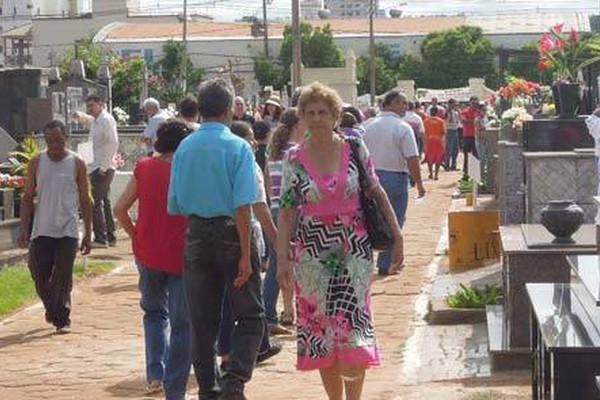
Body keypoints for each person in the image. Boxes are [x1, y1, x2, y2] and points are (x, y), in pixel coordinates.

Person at [276, 82, 404, 400]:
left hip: (354, 251)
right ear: (301, 118)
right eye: (310, 112)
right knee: (321, 330)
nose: (317, 117)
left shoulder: (355, 147)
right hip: (312, 255)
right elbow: (288, 212)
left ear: (335, 116)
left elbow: (375, 190)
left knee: (353, 326)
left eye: (323, 111)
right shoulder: (293, 158)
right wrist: (281, 260)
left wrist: (397, 235)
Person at [168, 78, 263, 400]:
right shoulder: (238, 146)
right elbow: (243, 204)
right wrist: (247, 256)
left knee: (202, 320)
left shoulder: (184, 147)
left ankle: (208, 389)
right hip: (232, 232)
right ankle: (234, 383)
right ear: (228, 109)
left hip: (196, 232)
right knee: (249, 314)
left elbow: (176, 203)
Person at [113, 120, 192, 399]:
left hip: (147, 252)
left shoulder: (144, 167)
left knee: (154, 314)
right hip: (181, 255)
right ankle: (174, 380)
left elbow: (119, 208)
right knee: (182, 321)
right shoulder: (188, 171)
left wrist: (136, 236)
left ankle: (154, 374)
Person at [218, 120, 286, 369]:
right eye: (250, 138)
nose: (253, 143)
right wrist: (277, 242)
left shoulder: (221, 161)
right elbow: (258, 205)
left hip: (216, 236)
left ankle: (227, 350)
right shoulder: (247, 163)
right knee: (251, 299)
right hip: (244, 237)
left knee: (227, 300)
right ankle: (258, 347)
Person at [19, 120, 92, 334]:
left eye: (59, 140)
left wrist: (88, 232)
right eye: (50, 141)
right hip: (42, 229)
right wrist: (24, 228)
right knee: (38, 272)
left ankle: (62, 318)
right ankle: (53, 309)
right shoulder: (36, 162)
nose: (55, 145)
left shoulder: (76, 162)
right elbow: (27, 197)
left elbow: (85, 199)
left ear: (66, 138)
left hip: (67, 229)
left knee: (63, 274)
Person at [363, 90, 425, 275]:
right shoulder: (402, 127)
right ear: (392, 104)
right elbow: (412, 158)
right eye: (403, 103)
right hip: (396, 178)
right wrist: (419, 183)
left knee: (371, 219)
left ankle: (367, 261)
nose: (406, 107)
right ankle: (387, 262)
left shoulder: (367, 126)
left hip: (370, 178)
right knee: (394, 220)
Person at [265, 108, 302, 331]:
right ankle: (272, 313)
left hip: (275, 209)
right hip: (291, 212)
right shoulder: (295, 152)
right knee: (287, 263)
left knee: (277, 263)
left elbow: (269, 184)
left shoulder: (274, 152)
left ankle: (274, 312)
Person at [86, 94, 119, 248]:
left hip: (102, 167)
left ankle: (101, 238)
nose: (90, 109)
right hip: (96, 165)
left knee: (95, 202)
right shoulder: (96, 121)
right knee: (104, 201)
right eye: (88, 106)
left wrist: (104, 166)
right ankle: (110, 237)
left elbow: (113, 143)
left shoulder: (105, 119)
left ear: (100, 104)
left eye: (92, 105)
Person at [423, 106, 446, 180]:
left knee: (429, 157)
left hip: (429, 140)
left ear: (430, 112)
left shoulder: (426, 121)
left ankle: (431, 174)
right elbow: (443, 132)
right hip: (438, 140)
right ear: (437, 112)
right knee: (438, 157)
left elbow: (424, 132)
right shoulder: (441, 121)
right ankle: (436, 174)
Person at [460, 96, 480, 178]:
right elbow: (463, 121)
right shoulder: (465, 111)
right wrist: (475, 121)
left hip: (476, 136)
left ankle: (474, 174)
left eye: (476, 103)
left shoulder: (478, 111)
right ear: (470, 103)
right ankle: (466, 173)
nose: (475, 105)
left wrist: (472, 121)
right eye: (473, 103)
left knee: (476, 155)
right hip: (467, 136)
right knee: (467, 155)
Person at [474, 102, 489, 182]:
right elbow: (477, 132)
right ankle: (480, 177)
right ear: (479, 110)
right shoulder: (477, 119)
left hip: (486, 140)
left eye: (485, 110)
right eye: (483, 110)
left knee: (485, 159)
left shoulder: (486, 118)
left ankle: (483, 176)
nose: (484, 111)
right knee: (482, 159)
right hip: (480, 141)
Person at [445, 98, 461, 170]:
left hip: (455, 130)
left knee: (456, 149)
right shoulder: (447, 112)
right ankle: (447, 165)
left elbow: (458, 121)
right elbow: (450, 121)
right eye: (454, 104)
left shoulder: (455, 112)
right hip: (449, 131)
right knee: (449, 149)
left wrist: (457, 112)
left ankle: (453, 165)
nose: (455, 105)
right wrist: (450, 111)